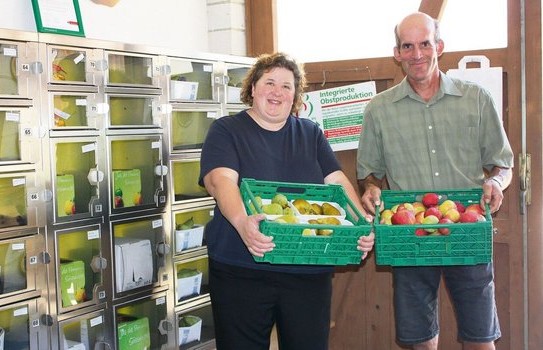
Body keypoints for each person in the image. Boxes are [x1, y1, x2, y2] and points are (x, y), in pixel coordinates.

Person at [356, 12, 514, 350]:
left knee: (480, 338)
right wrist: (370, 187)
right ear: (396, 53)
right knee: (421, 341)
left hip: (466, 230)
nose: (417, 54)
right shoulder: (379, 110)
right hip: (408, 234)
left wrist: (497, 183)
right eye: (408, 46)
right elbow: (370, 173)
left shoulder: (476, 99)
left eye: (425, 44)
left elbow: (503, 164)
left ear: (439, 46)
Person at [199, 52, 375, 350]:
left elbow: (337, 182)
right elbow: (220, 181)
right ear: (253, 88)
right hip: (242, 268)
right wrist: (244, 224)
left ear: (295, 95)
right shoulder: (227, 130)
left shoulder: (310, 133)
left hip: (307, 270)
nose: (277, 92)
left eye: (287, 86)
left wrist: (361, 227)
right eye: (269, 83)